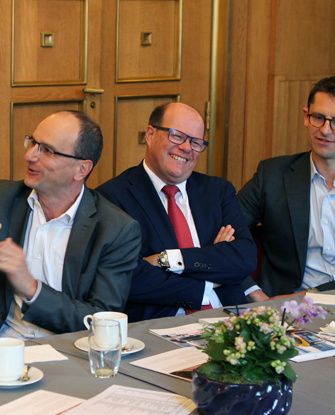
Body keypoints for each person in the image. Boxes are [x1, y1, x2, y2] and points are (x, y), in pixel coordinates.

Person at [0, 111, 141, 346]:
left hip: (69, 356)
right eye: (33, 143)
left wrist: (32, 288)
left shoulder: (116, 229)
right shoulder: (1, 199)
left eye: (47, 150)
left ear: (81, 169)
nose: (29, 155)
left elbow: (101, 322)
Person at [97, 102, 256, 322]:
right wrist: (210, 276)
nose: (187, 148)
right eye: (177, 136)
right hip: (163, 323)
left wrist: (168, 260)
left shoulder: (217, 191)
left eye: (196, 142)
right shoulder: (112, 197)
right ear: (151, 135)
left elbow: (244, 259)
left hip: (232, 319)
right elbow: (129, 277)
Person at [238, 76, 335, 300]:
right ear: (306, 116)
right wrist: (255, 294)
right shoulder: (272, 176)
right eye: (318, 118)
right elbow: (223, 237)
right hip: (288, 310)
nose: (325, 130)